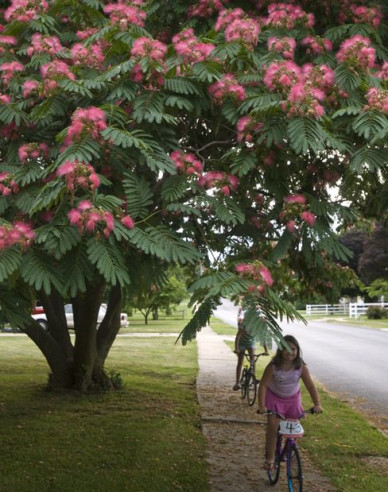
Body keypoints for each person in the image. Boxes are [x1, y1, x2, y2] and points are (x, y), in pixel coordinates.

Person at [257, 335, 323, 471]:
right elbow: (263, 385)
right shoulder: (273, 367)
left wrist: (317, 403)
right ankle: (270, 459)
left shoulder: (301, 367)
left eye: (293, 349)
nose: (290, 352)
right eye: (286, 349)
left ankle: (290, 449)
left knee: (294, 429)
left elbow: (310, 385)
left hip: (293, 399)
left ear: (298, 350)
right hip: (274, 398)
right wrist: (262, 405)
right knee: (273, 428)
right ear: (280, 350)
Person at [233, 305, 269, 391]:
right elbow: (238, 336)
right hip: (242, 343)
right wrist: (237, 348)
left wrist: (266, 350)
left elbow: (262, 339)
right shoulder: (244, 324)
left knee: (253, 360)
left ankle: (253, 379)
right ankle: (237, 382)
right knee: (240, 360)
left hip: (250, 343)